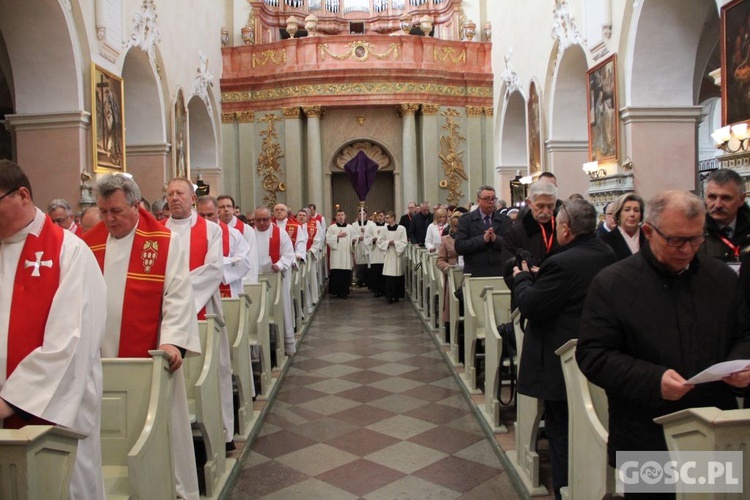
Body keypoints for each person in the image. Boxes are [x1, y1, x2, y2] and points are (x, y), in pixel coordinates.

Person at [577, 190, 750, 486]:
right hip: (644, 431)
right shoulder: (613, 283)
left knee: (712, 494)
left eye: (696, 239)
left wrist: (740, 365)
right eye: (676, 240)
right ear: (648, 231)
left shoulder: (720, 277)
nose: (687, 249)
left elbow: (744, 333)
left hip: (714, 425)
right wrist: (653, 380)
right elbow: (593, 354)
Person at [83, 173, 203, 499]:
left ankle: (174, 489)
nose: (109, 219)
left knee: (162, 426)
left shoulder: (164, 241)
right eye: (104, 211)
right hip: (99, 355)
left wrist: (172, 341)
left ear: (136, 206)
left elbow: (178, 295)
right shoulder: (87, 242)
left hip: (152, 356)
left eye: (117, 211)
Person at [0, 160, 105, 500]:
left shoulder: (69, 252)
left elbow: (71, 342)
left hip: (51, 414)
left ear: (22, 195)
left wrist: (8, 402)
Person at [513, 199, 616, 499]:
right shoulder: (606, 253)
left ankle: (565, 488)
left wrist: (522, 280)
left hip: (562, 360)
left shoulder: (561, 262)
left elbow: (532, 305)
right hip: (597, 352)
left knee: (562, 430)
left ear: (566, 230)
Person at [164, 177, 236, 452]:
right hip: (169, 314)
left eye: (180, 193)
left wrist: (177, 295)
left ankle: (223, 432)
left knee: (214, 371)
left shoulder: (210, 229)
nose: (174, 198)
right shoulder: (158, 231)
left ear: (192, 198)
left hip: (203, 311)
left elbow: (213, 270)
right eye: (170, 194)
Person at [253, 206, 297, 354]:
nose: (262, 223)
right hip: (256, 280)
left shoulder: (280, 233)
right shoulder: (250, 233)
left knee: (281, 310)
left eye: (265, 219)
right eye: (258, 220)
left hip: (277, 278)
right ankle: (262, 349)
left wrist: (279, 265)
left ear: (270, 217)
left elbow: (288, 254)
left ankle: (285, 345)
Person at [501, 181, 559, 291]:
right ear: (529, 203)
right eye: (540, 206)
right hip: (526, 294)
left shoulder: (562, 228)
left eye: (550, 206)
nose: (546, 211)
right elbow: (509, 271)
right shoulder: (515, 232)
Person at [197, 195, 253, 298]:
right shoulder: (192, 234)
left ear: (218, 212)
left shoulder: (233, 235)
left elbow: (244, 262)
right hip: (199, 292)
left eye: (210, 215)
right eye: (202, 215)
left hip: (228, 291)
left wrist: (216, 263)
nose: (206, 219)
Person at [700, 168, 750, 269]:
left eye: (726, 198)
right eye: (712, 197)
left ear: (741, 199)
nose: (718, 205)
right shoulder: (694, 234)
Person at [455, 185, 509, 277]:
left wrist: (496, 239)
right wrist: (482, 240)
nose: (491, 202)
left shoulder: (505, 220)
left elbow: (511, 246)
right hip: (475, 273)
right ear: (478, 200)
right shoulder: (466, 220)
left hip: (499, 273)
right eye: (487, 199)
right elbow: (459, 247)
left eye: (493, 199)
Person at [436, 208, 466, 338]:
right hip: (453, 275)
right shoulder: (445, 240)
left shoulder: (468, 238)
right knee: (451, 305)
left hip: (466, 273)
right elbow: (440, 260)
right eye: (455, 226)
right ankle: (451, 333)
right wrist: (448, 268)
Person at [217, 194, 259, 284]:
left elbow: (251, 258)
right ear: (217, 210)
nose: (226, 209)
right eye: (222, 207)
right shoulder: (214, 229)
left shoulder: (246, 230)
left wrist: (249, 282)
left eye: (229, 206)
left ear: (233, 209)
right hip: (218, 279)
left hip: (241, 281)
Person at [599, 193, 646, 261]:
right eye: (627, 210)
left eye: (636, 210)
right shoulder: (605, 241)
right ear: (618, 214)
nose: (632, 214)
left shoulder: (649, 238)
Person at [377, 210, 408, 303]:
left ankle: (397, 296)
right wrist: (387, 243)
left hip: (397, 254)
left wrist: (395, 243)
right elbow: (379, 241)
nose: (386, 219)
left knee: (398, 275)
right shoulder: (384, 229)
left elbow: (404, 242)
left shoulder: (401, 228)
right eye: (385, 218)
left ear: (393, 218)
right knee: (389, 276)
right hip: (389, 253)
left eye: (387, 218)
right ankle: (389, 295)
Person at [326, 209, 357, 299]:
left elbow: (355, 237)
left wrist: (354, 241)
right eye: (339, 215)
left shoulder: (350, 228)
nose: (340, 217)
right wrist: (337, 236)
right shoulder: (332, 228)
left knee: (345, 273)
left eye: (342, 215)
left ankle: (344, 292)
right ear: (336, 217)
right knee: (336, 273)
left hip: (346, 254)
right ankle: (336, 291)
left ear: (345, 216)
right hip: (336, 255)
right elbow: (328, 239)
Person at [365, 210, 387, 298]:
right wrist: (372, 240)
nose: (380, 217)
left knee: (384, 272)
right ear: (376, 217)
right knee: (376, 273)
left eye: (381, 216)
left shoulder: (387, 226)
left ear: (384, 216)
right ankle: (376, 290)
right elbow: (366, 238)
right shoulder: (371, 227)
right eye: (378, 216)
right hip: (375, 252)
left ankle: (384, 290)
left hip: (384, 253)